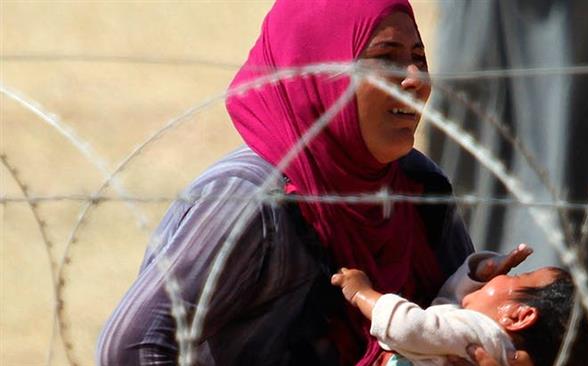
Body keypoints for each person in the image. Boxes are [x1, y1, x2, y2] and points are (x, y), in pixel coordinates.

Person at [96, 1, 528, 365]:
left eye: (419, 56)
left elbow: (445, 327)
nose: (415, 79)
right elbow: (130, 348)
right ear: (318, 74)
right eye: (386, 58)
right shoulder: (251, 201)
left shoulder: (418, 187)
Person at [426, 0, 588, 315]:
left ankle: (549, 315)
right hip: (475, 19)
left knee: (557, 146)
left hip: (556, 16)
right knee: (465, 148)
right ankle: (463, 297)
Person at [332, 247, 588, 366]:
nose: (503, 276)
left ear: (518, 316)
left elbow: (412, 327)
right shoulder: (485, 341)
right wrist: (473, 275)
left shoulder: (482, 335)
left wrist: (363, 294)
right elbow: (446, 307)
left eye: (517, 277)